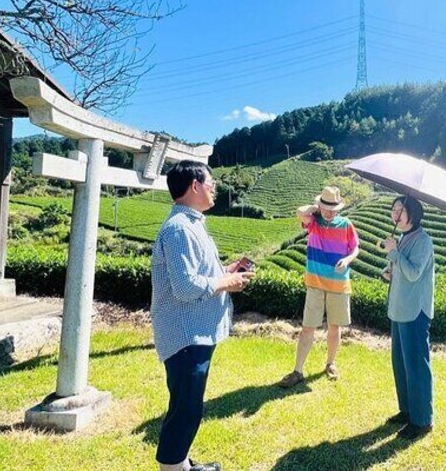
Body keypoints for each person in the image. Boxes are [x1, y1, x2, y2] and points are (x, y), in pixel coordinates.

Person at [151, 160, 254, 471]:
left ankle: (181, 463)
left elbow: (198, 275)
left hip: (194, 330)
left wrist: (227, 271)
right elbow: (185, 287)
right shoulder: (179, 228)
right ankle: (172, 468)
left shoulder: (192, 224)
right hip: (185, 334)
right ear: (194, 186)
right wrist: (227, 282)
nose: (214, 188)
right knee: (185, 408)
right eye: (210, 183)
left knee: (189, 404)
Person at [278, 186, 360, 387]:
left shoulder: (346, 224)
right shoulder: (314, 223)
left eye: (333, 208)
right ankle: (298, 371)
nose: (329, 212)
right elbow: (300, 212)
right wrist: (317, 208)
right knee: (308, 327)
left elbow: (355, 248)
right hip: (315, 283)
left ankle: (330, 364)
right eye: (326, 208)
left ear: (339, 208)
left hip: (338, 283)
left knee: (334, 327)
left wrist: (347, 260)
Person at [381, 195, 435, 440]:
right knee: (401, 365)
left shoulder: (423, 241)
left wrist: (393, 253)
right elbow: (403, 271)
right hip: (399, 309)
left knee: (416, 367)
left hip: (415, 312)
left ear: (413, 213)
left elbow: (413, 273)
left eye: (400, 210)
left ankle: (422, 420)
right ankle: (407, 411)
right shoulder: (403, 238)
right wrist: (390, 272)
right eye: (393, 210)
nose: (395, 215)